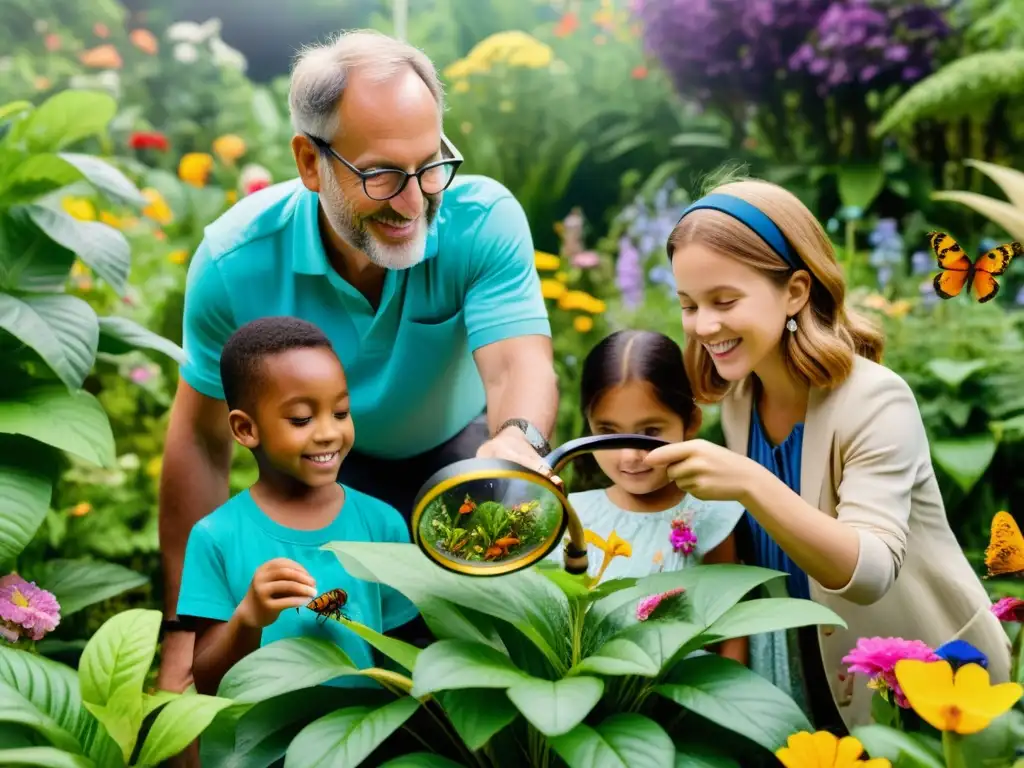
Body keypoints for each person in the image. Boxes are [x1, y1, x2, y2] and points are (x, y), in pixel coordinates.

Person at [158, 29, 559, 696]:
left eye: (430, 165)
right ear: (310, 164)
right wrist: (183, 629)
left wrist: (518, 441)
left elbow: (521, 366)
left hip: (456, 459)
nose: (412, 202)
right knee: (317, 671)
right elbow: (201, 439)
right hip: (309, 469)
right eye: (381, 174)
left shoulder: (481, 222)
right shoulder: (234, 263)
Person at [643, 178, 1011, 731]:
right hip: (810, 676)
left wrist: (749, 481)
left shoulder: (875, 400)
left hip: (928, 692)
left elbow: (869, 571)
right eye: (689, 305)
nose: (705, 326)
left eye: (724, 301)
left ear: (795, 291)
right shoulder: (742, 398)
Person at [176, 316, 419, 697]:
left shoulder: (382, 524)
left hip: (361, 740)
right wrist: (247, 619)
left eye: (340, 412)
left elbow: (407, 657)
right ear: (245, 429)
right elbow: (206, 682)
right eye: (302, 419)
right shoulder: (216, 537)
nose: (328, 433)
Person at [558, 329, 747, 664]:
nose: (630, 455)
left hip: (684, 699)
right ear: (588, 425)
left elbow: (731, 625)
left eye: (650, 432)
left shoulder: (709, 512)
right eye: (607, 432)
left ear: (690, 424)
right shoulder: (575, 515)